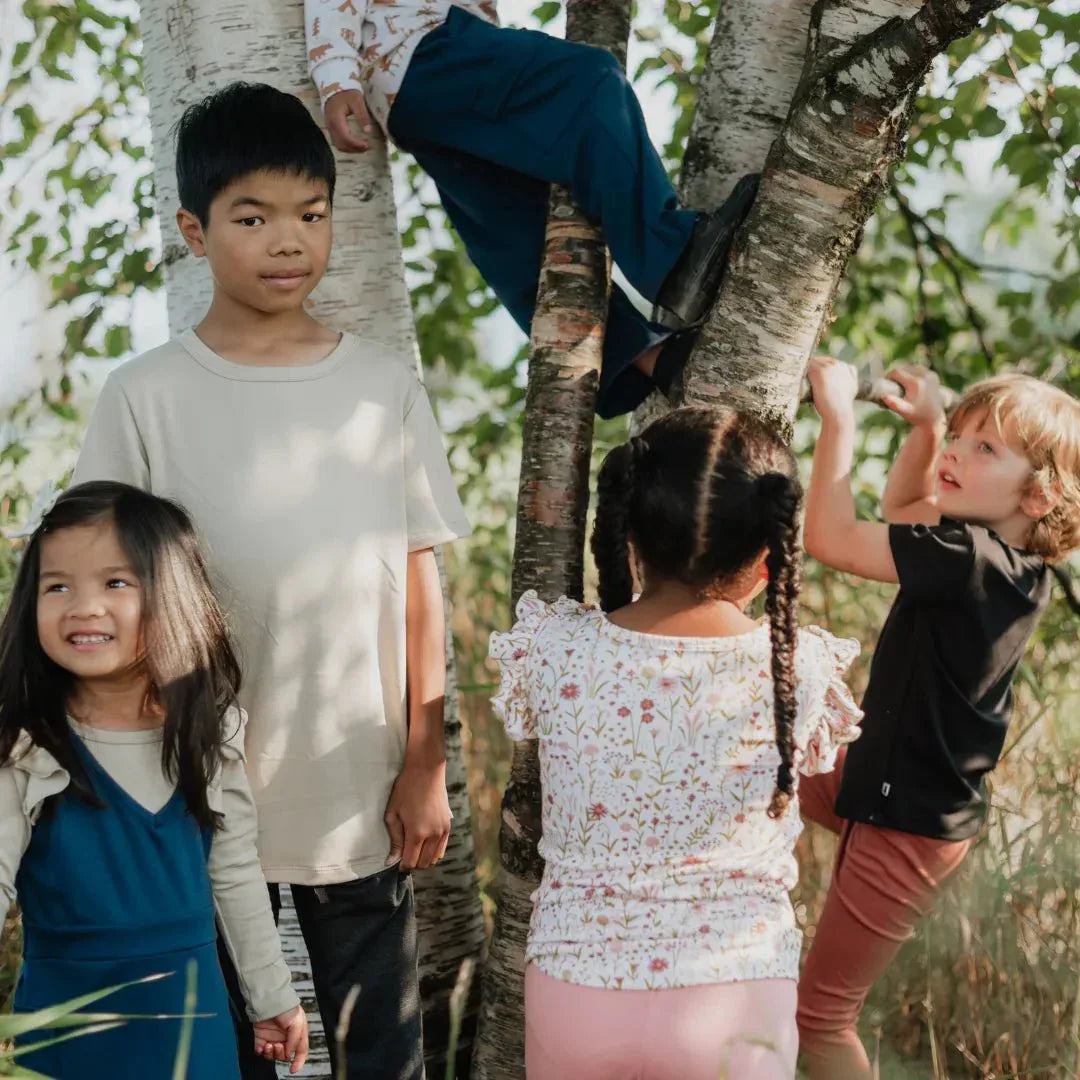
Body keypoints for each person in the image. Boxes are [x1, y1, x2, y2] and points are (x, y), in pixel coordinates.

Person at [73, 83, 471, 1080]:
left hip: (360, 789)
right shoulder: (145, 397)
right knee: (226, 1055)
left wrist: (426, 759)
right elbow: (98, 591)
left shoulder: (380, 386)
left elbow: (420, 583)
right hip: (198, 796)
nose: (289, 242)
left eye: (312, 214)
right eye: (253, 218)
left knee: (381, 1052)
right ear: (194, 232)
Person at [488, 406, 863, 1079]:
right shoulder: (801, 668)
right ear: (769, 556)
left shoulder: (551, 648)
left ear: (627, 530)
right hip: (735, 990)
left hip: (579, 989)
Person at [797, 358, 1080, 1079]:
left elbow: (830, 539)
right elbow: (903, 509)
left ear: (1043, 493)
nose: (957, 452)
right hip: (890, 787)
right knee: (759, 763)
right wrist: (925, 428)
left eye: (984, 447)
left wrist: (839, 420)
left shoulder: (968, 559)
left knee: (822, 1019)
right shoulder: (1007, 561)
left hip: (907, 822)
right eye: (959, 435)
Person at [305, 0, 761, 419]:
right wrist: (334, 75)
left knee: (518, 232)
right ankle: (675, 256)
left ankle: (650, 358)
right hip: (423, 42)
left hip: (405, 101)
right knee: (588, 83)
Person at [0, 481, 308, 1079]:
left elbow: (235, 872)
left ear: (173, 599)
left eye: (115, 583)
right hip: (65, 1025)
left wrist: (272, 996)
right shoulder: (26, 747)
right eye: (57, 585)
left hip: (192, 1020)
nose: (83, 606)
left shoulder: (208, 736)